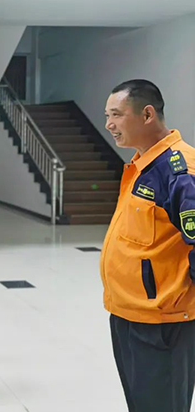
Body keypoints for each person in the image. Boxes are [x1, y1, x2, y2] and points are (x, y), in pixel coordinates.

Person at [101, 79, 195, 412]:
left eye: (116, 114)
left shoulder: (180, 171)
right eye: (107, 116)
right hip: (127, 314)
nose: (109, 124)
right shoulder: (142, 165)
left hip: (163, 323)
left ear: (147, 115)